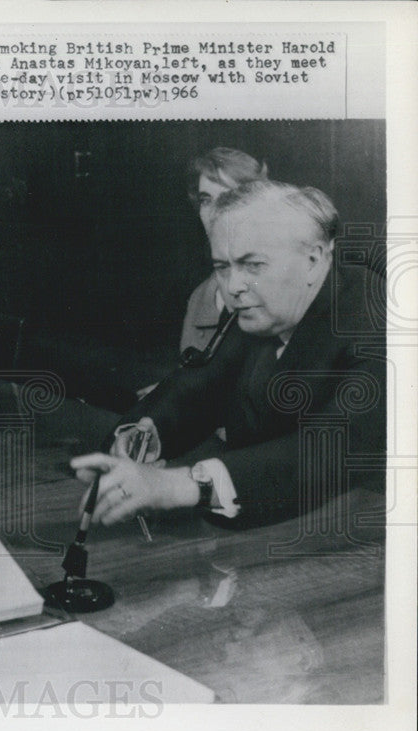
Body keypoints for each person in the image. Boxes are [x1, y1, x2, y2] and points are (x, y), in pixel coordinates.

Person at [71, 181, 384, 528]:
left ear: (313, 260)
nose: (233, 287)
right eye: (222, 267)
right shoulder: (264, 305)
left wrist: (178, 485)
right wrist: (142, 435)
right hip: (269, 530)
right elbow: (198, 384)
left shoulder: (379, 318)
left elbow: (335, 449)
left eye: (253, 266)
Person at [180, 147, 269, 353]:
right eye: (205, 200)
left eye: (228, 197)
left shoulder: (277, 283)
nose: (213, 213)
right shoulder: (201, 296)